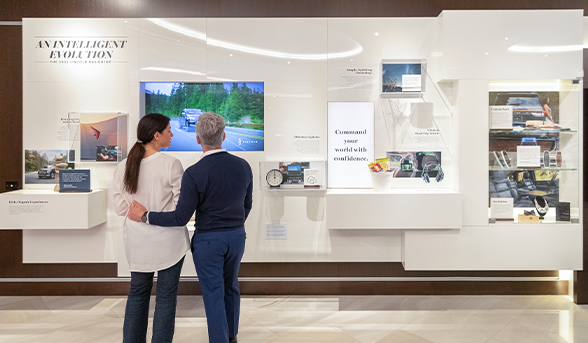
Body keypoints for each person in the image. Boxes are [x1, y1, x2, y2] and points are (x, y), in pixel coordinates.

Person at [128, 112, 253, 343]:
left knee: (213, 293)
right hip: (237, 237)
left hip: (208, 242)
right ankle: (231, 336)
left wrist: (146, 216)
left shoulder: (194, 173)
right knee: (231, 287)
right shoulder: (243, 166)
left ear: (197, 139)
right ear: (223, 136)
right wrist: (233, 224)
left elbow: (180, 217)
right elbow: (247, 205)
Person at [113, 113, 190, 343]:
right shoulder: (172, 164)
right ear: (157, 135)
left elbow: (119, 208)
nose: (172, 134)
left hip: (137, 242)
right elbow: (181, 208)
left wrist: (140, 213)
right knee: (166, 297)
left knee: (138, 294)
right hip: (170, 243)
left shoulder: (122, 166)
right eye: (168, 130)